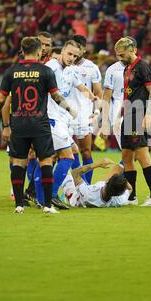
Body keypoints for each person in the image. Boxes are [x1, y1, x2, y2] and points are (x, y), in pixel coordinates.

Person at [0, 36, 75, 214]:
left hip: (19, 123)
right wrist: (70, 109)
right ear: (38, 51)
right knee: (46, 161)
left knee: (19, 163)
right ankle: (47, 206)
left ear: (22, 50)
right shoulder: (45, 71)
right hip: (39, 123)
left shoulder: (11, 71)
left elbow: (1, 98)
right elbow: (57, 97)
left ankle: (19, 204)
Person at [45, 42, 97, 207]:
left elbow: (80, 86)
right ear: (62, 51)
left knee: (71, 152)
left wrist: (92, 98)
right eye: (69, 54)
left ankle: (73, 190)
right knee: (66, 156)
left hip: (64, 119)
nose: (72, 58)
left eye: (75, 56)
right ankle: (50, 195)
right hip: (52, 117)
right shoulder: (51, 67)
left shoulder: (71, 69)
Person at [114, 36, 151, 207]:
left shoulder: (142, 66)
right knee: (126, 156)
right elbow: (127, 94)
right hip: (128, 116)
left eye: (122, 54)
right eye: (118, 55)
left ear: (133, 49)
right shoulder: (126, 68)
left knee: (142, 155)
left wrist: (148, 115)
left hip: (138, 114)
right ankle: (131, 196)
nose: (120, 58)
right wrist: (119, 116)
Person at [69, 35, 102, 184]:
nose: (74, 51)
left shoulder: (91, 68)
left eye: (78, 48)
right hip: (65, 116)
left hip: (84, 116)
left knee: (86, 151)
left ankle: (86, 186)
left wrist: (97, 112)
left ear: (83, 49)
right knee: (66, 152)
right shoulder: (63, 65)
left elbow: (98, 92)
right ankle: (75, 185)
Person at [62, 158, 132, 208]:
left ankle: (54, 196)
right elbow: (130, 189)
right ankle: (131, 154)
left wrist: (96, 165)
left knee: (64, 168)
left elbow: (75, 173)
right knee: (119, 167)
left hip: (75, 195)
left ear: (107, 181)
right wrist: (122, 181)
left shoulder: (89, 195)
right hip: (100, 191)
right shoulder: (119, 200)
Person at [102, 59, 125, 149]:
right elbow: (106, 97)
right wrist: (105, 123)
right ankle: (124, 162)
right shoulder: (112, 70)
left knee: (137, 148)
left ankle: (124, 162)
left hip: (135, 105)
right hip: (118, 106)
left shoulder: (140, 67)